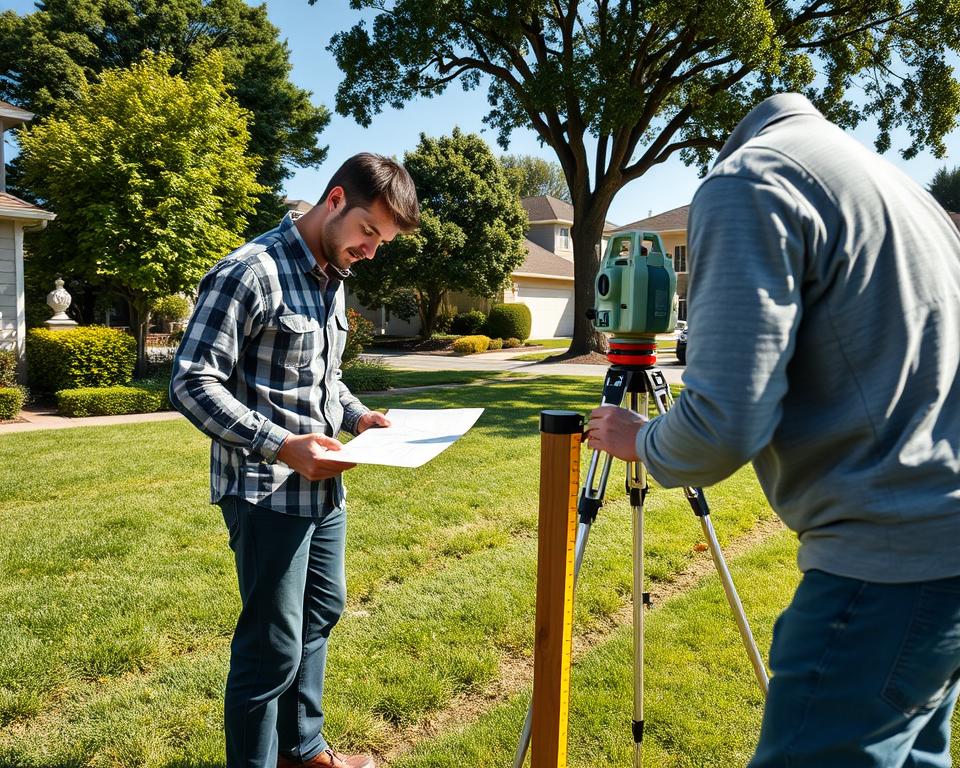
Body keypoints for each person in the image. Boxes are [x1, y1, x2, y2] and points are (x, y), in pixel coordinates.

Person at [586, 93, 960, 767]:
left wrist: (640, 439)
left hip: (883, 567)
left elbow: (724, 423)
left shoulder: (749, 181)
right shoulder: (902, 192)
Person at [170, 153, 420, 768]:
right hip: (264, 488)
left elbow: (325, 379)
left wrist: (360, 417)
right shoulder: (248, 273)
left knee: (321, 612)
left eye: (381, 241)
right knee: (271, 647)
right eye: (369, 232)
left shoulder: (331, 276)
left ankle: (303, 753)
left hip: (322, 490)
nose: (371, 250)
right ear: (334, 200)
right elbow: (190, 382)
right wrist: (281, 445)